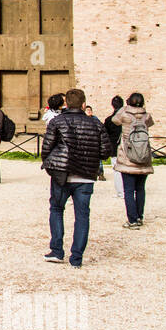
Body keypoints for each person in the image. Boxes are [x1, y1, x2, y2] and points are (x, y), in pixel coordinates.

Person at [41, 87, 111, 267]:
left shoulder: (57, 122)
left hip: (62, 174)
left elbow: (46, 148)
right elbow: (105, 152)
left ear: (66, 104)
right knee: (82, 216)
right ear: (83, 104)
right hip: (85, 176)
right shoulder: (95, 124)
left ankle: (57, 251)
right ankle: (76, 258)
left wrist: (51, 167)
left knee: (56, 209)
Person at [111, 92, 154, 228]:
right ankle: (140, 216)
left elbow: (114, 120)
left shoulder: (124, 114)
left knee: (128, 190)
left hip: (128, 156)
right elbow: (151, 123)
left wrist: (125, 108)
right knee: (140, 189)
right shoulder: (146, 115)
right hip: (143, 156)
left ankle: (132, 220)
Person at [104, 95, 125, 197]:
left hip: (114, 147)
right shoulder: (127, 118)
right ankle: (128, 190)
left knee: (117, 170)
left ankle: (120, 192)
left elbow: (105, 135)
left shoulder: (109, 120)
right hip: (127, 147)